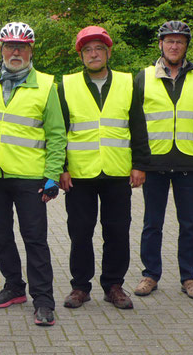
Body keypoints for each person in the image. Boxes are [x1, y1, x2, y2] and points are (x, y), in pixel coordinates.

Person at [0, 22, 66, 326]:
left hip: (30, 177)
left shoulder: (46, 85)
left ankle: (44, 300)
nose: (15, 52)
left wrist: (53, 174)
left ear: (30, 50)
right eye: (9, 46)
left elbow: (56, 135)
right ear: (0, 48)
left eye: (22, 47)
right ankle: (14, 287)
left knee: (35, 240)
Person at [59, 26, 148, 311]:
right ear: (81, 56)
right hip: (80, 173)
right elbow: (59, 130)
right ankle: (80, 287)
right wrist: (61, 167)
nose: (93, 54)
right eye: (87, 50)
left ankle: (114, 286)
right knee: (80, 232)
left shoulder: (126, 82)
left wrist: (139, 164)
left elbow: (138, 126)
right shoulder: (67, 84)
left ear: (108, 52)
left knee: (118, 232)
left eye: (98, 49)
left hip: (117, 171)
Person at [133, 20, 193, 300]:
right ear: (160, 45)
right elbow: (136, 122)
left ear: (186, 46)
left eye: (179, 41)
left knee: (189, 224)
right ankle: (150, 275)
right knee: (152, 223)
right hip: (154, 161)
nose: (174, 45)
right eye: (169, 41)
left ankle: (189, 277)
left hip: (189, 161)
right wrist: (139, 162)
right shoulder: (144, 77)